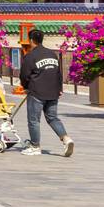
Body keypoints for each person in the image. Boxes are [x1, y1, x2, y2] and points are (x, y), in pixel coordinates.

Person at [19, 29, 74, 157]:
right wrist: (59, 88)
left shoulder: (30, 56)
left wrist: (26, 87)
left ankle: (35, 146)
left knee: (34, 120)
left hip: (37, 92)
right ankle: (66, 139)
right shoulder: (52, 55)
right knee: (52, 118)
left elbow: (24, 75)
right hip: (53, 92)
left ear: (31, 40)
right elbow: (58, 74)